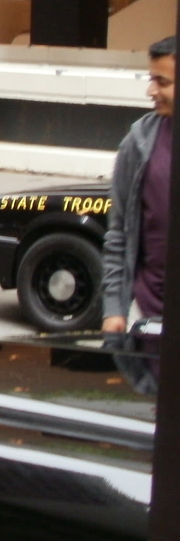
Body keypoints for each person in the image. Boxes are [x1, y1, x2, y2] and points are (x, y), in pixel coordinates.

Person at [102, 36, 174, 342]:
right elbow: (118, 231)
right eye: (151, 79)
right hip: (150, 319)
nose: (151, 90)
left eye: (162, 81)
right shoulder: (140, 141)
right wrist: (114, 309)